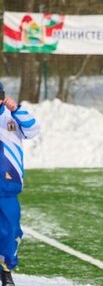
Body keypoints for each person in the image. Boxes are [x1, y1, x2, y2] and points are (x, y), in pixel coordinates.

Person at [0, 83, 41, 286]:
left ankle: (6, 270)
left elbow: (33, 129)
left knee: (10, 231)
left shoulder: (12, 118)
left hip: (7, 188)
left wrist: (16, 110)